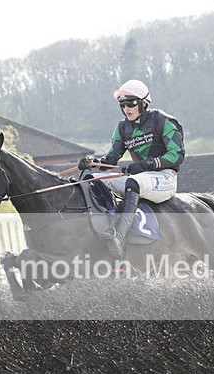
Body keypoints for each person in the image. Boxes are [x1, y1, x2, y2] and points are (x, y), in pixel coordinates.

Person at [79, 79, 185, 258]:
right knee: (93, 181)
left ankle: (119, 238)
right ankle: (101, 230)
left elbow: (177, 155)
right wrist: (94, 163)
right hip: (141, 178)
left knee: (132, 181)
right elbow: (111, 159)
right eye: (122, 104)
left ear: (144, 103)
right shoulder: (122, 127)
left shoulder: (162, 120)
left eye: (131, 103)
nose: (126, 108)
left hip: (165, 178)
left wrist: (147, 164)